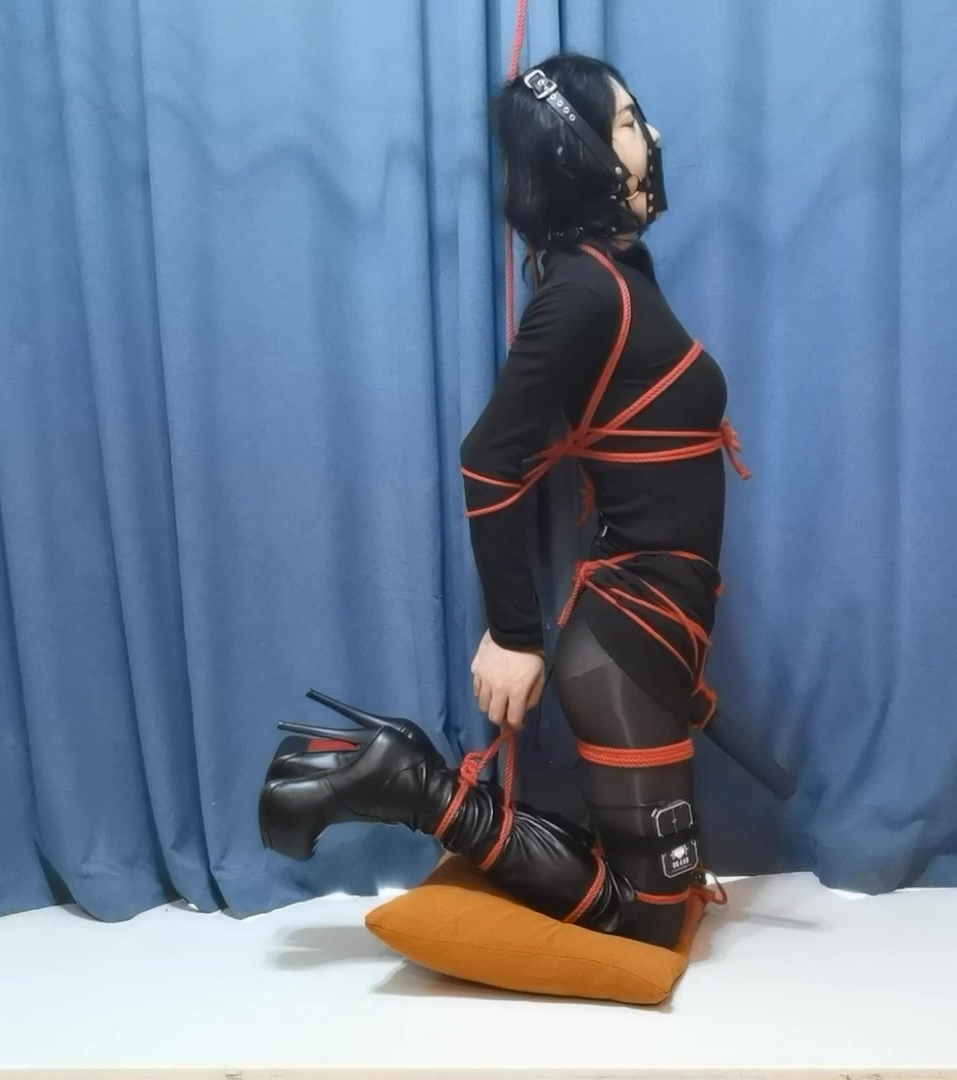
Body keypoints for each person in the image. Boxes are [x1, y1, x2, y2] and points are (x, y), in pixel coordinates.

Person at [258, 53, 747, 949]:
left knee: (649, 888)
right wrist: (514, 634)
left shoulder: (621, 273)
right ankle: (408, 785)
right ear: (582, 153)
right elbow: (490, 459)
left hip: (654, 636)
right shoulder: (587, 290)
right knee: (649, 923)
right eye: (628, 122)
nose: (651, 135)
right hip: (626, 643)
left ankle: (407, 780)